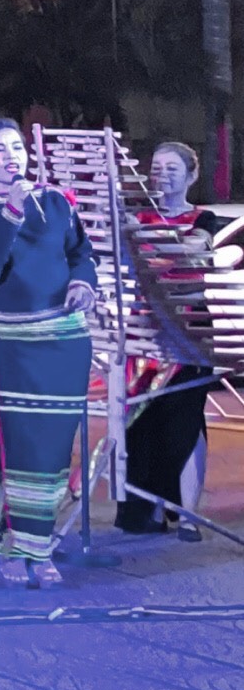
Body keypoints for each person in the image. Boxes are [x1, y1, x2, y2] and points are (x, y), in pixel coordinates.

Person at [0, 116, 97, 589]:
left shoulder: (57, 201)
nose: (11, 156)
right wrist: (11, 211)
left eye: (16, 147)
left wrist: (83, 284)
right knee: (17, 445)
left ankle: (41, 546)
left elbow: (82, 254)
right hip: (12, 342)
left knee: (53, 449)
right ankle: (13, 546)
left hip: (65, 339)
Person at [116, 140, 223, 539]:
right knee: (143, 423)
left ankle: (187, 514)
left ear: (191, 175)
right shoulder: (137, 216)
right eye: (157, 168)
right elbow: (125, 260)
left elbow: (192, 254)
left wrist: (141, 234)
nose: (162, 175)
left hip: (188, 330)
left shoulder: (203, 218)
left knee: (185, 421)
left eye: (172, 168)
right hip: (144, 331)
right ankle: (149, 510)